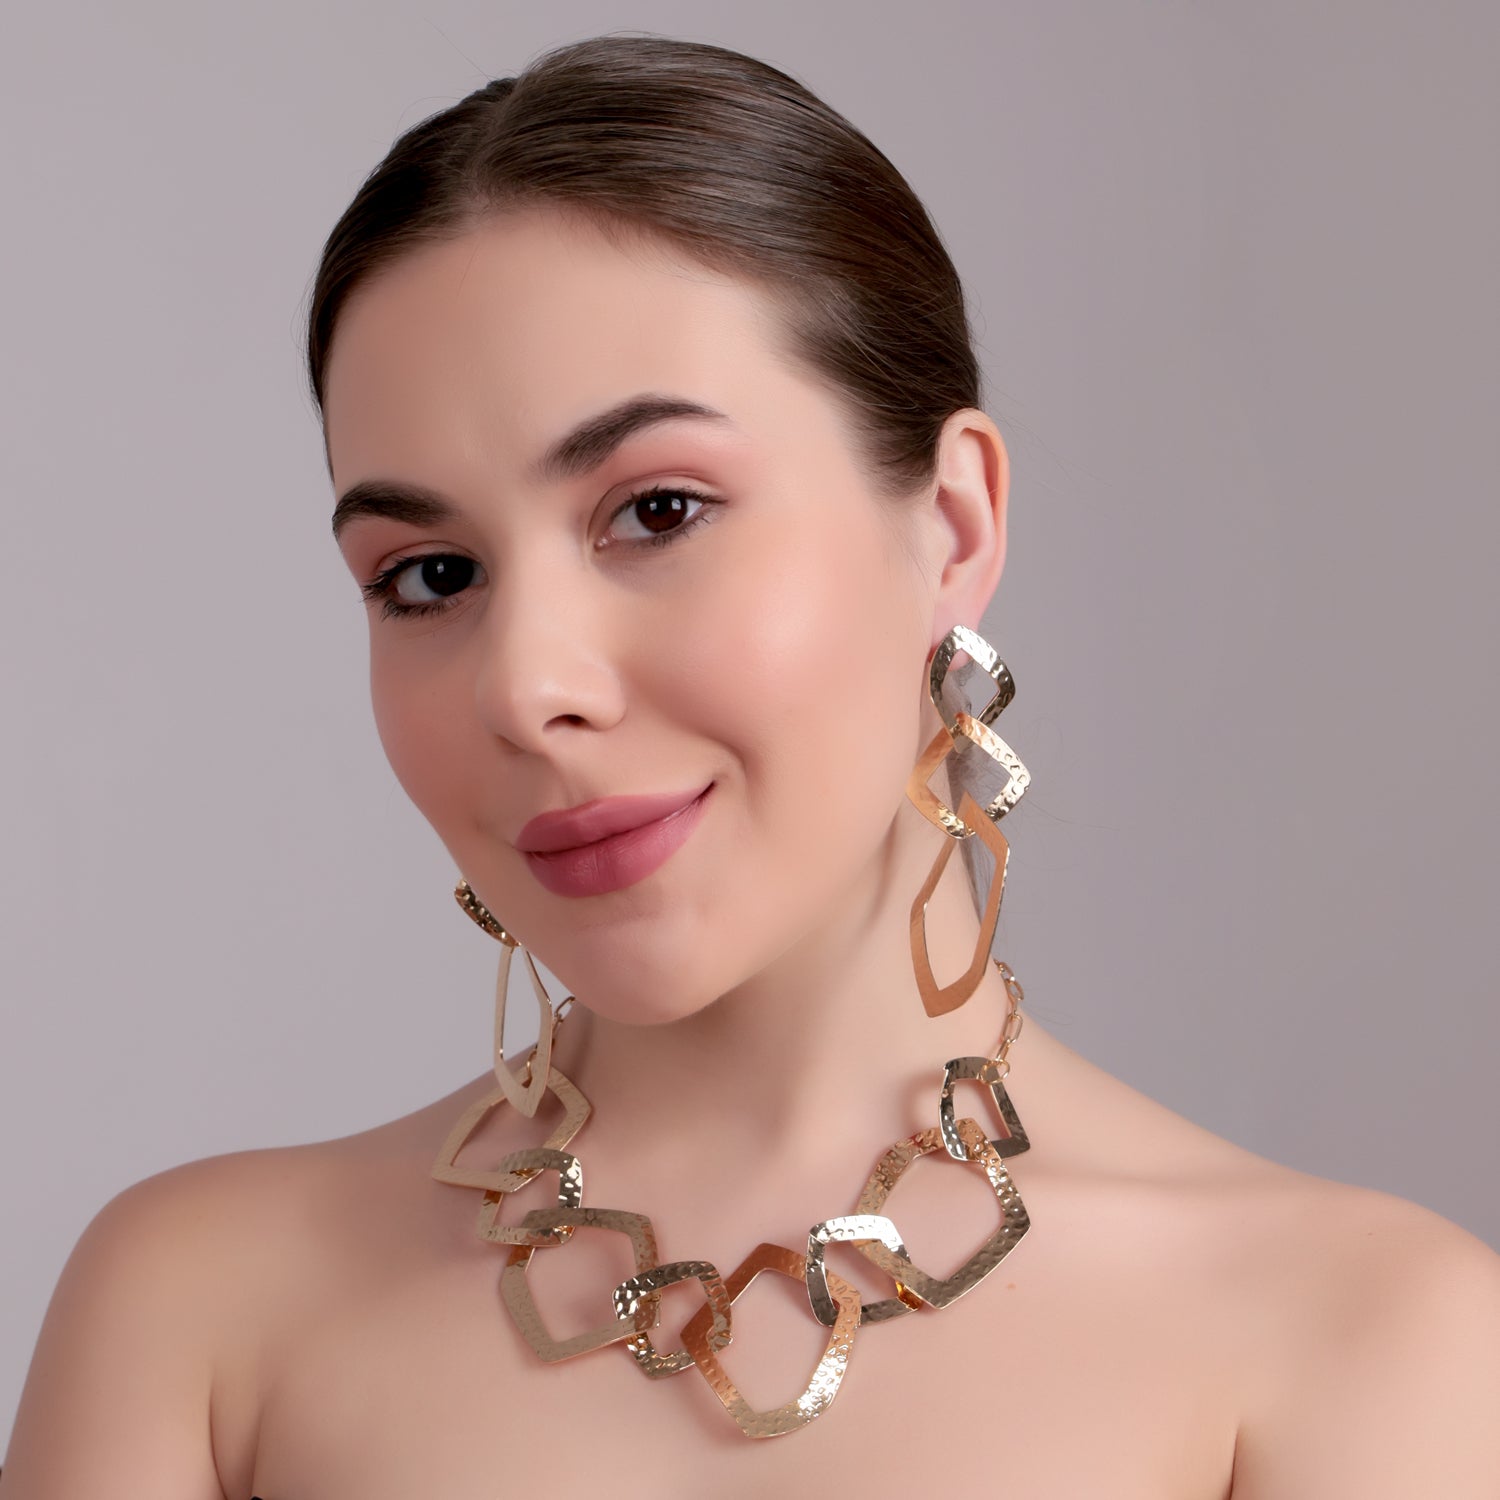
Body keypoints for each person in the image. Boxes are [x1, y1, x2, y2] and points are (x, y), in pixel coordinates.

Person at [4, 32, 1498, 1498]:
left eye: (657, 510)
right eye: (431, 575)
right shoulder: (194, 1319)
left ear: (953, 528)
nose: (525, 688)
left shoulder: (1359, 1344)